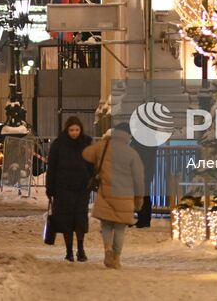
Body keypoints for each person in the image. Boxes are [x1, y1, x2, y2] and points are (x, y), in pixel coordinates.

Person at [82, 122, 145, 269]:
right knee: (120, 228)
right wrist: (139, 198)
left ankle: (107, 249)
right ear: (128, 136)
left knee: (106, 225)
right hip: (125, 195)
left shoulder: (103, 147)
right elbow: (139, 178)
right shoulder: (132, 153)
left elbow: (86, 154)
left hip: (106, 192)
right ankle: (116, 258)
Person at [45, 115, 95, 261]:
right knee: (66, 220)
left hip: (81, 189)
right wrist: (50, 188)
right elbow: (52, 167)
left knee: (79, 219)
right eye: (71, 130)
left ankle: (80, 249)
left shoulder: (87, 143)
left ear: (81, 129)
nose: (74, 132)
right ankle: (69, 252)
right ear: (67, 130)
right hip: (63, 189)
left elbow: (92, 165)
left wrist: (89, 181)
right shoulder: (59, 144)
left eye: (76, 129)